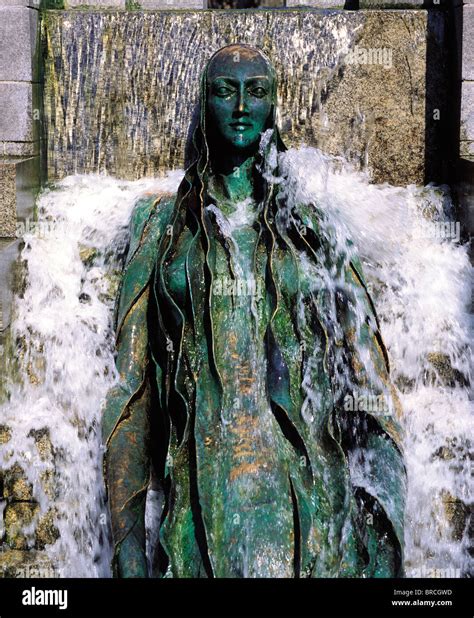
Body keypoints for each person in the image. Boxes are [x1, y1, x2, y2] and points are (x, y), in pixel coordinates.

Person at [102, 43, 406, 578]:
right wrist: (127, 549)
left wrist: (384, 536)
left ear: (272, 109)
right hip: (200, 501)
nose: (241, 106)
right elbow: (132, 392)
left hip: (309, 499)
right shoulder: (159, 222)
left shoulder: (314, 223)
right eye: (224, 91)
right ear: (204, 104)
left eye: (256, 92)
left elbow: (368, 385)